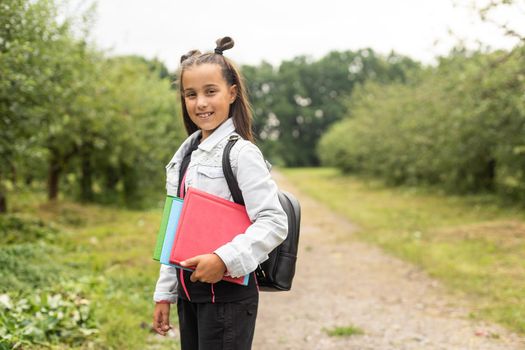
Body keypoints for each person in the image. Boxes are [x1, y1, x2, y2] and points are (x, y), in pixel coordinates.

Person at [152, 36, 288, 350]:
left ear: (232, 93)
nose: (201, 103)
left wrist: (222, 259)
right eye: (191, 94)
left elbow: (273, 221)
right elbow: (175, 232)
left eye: (210, 91)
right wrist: (165, 293)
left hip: (228, 299)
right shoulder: (184, 156)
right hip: (190, 296)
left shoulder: (241, 154)